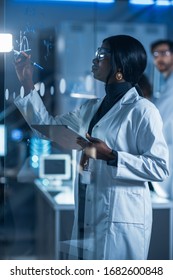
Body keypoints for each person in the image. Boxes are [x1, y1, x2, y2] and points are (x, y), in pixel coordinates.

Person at [14, 35, 169, 260]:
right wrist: (26, 81)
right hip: (89, 213)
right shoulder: (91, 108)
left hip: (121, 221)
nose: (94, 59)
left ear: (119, 66)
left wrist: (113, 156)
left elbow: (160, 168)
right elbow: (45, 129)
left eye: (102, 55)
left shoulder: (143, 110)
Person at [150, 39, 173, 199]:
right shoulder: (167, 85)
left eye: (164, 53)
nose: (160, 58)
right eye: (156, 54)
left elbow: (161, 120)